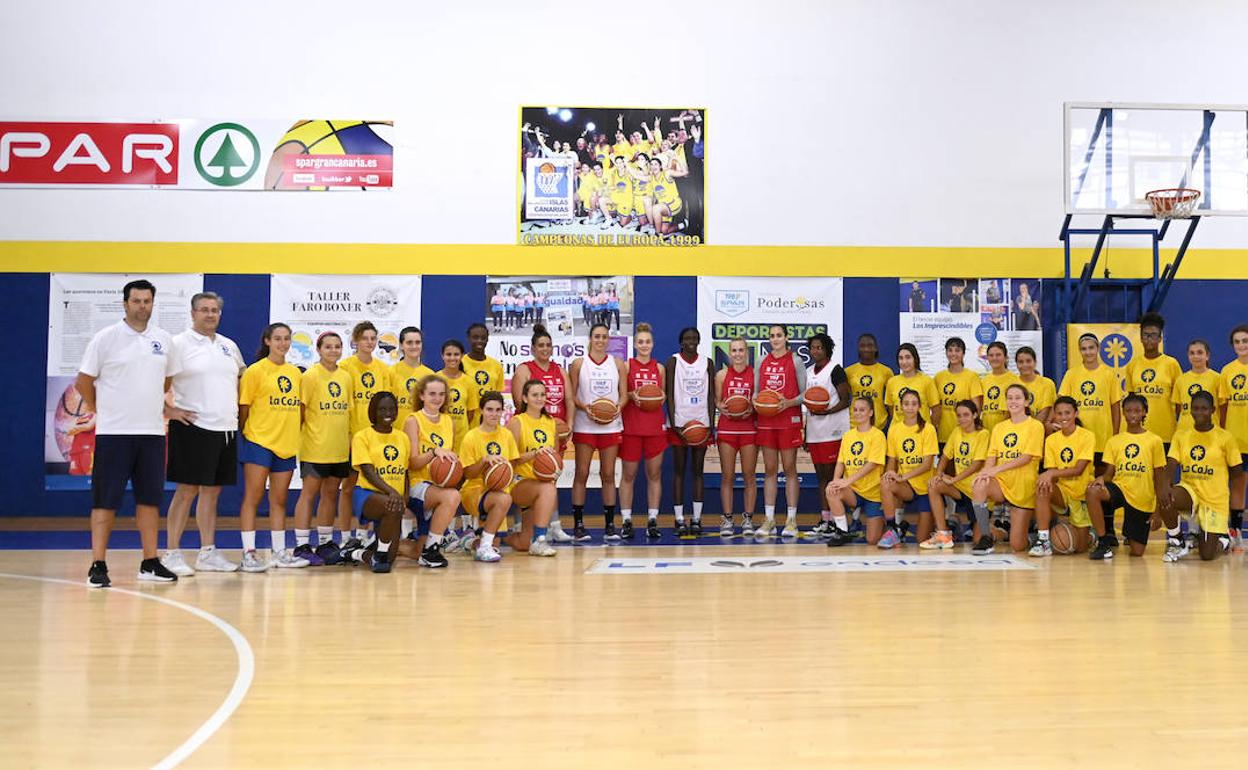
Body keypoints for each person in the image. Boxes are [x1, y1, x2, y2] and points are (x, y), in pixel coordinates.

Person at [76, 279, 182, 587]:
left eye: (147, 301)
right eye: (136, 301)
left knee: (149, 500)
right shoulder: (105, 339)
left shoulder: (163, 340)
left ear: (152, 303)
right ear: (125, 304)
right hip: (113, 434)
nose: (142, 306)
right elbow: (83, 383)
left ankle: (150, 562)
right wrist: (103, 411)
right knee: (105, 501)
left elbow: (165, 383)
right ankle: (98, 564)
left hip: (151, 434)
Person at [162, 291, 245, 576]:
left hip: (225, 428)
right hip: (193, 426)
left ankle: (207, 552)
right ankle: (171, 552)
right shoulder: (177, 345)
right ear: (193, 312)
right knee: (187, 491)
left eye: (215, 310)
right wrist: (169, 410)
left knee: (212, 492)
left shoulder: (229, 346)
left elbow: (242, 382)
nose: (210, 314)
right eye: (204, 310)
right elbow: (153, 381)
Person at [237, 323, 308, 572]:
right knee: (253, 498)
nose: (283, 343)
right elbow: (243, 408)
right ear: (267, 341)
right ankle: (248, 553)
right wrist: (250, 435)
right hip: (259, 441)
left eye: (287, 339)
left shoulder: (296, 373)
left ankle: (279, 552)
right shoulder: (255, 371)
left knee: (279, 500)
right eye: (277, 338)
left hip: (286, 444)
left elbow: (301, 410)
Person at [1159, 390, 1244, 562]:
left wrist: (1227, 501)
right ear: (1190, 410)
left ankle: (1225, 539)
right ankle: (1177, 540)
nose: (1199, 412)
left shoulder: (1225, 438)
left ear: (1213, 410)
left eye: (1204, 409)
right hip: (1190, 492)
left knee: (1207, 555)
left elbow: (1237, 474)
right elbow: (1171, 464)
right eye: (1195, 408)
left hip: (1214, 500)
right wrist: (1164, 487)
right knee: (1167, 496)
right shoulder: (1182, 435)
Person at [292, 331, 353, 566]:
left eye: (337, 347)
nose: (333, 350)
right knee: (309, 494)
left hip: (338, 448)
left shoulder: (345, 377)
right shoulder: (310, 376)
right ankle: (301, 544)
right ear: (318, 349)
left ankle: (326, 542)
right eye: (328, 347)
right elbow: (301, 412)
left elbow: (346, 413)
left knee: (330, 494)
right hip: (315, 446)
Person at [510, 324, 574, 541]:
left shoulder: (560, 370)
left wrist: (569, 425)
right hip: (531, 429)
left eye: (548, 345)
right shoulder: (524, 369)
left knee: (549, 477)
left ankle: (554, 524)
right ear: (533, 348)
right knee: (523, 474)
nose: (545, 349)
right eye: (541, 345)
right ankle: (519, 524)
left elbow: (569, 401)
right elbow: (520, 402)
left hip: (554, 431)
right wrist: (541, 421)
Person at [1085, 394, 1167, 560]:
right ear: (1123, 413)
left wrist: (1157, 512)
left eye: (1137, 411)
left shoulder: (1154, 440)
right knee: (1093, 491)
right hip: (1120, 488)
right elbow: (1109, 474)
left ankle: (1131, 532)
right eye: (1129, 411)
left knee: (1137, 552)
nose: (1133, 415)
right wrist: (1102, 479)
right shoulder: (1114, 441)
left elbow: (1159, 478)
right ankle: (1103, 541)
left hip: (1142, 498)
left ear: (1144, 412)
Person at [569, 322, 628, 541]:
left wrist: (616, 409)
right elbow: (571, 396)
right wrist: (586, 408)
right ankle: (578, 524)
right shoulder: (578, 364)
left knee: (608, 474)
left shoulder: (618, 363)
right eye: (597, 336)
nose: (601, 340)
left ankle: (610, 525)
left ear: (609, 340)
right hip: (585, 425)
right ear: (590, 339)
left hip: (611, 426)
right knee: (581, 473)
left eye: (604, 337)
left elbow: (624, 395)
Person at [970, 383, 1044, 554]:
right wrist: (985, 473)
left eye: (1018, 398)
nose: (1013, 401)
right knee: (979, 485)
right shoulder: (999, 427)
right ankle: (986, 536)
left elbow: (1026, 458)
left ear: (1026, 402)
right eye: (1009, 398)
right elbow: (991, 456)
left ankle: (1033, 534)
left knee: (1017, 546)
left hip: (1023, 485)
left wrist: (995, 470)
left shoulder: (1035, 426)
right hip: (1002, 482)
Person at [339, 321, 393, 553]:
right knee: (349, 488)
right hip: (353, 438)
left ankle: (364, 535)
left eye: (373, 338)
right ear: (356, 341)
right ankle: (344, 536)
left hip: (376, 440)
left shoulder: (383, 369)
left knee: (373, 489)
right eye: (365, 338)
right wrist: (350, 435)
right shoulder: (345, 367)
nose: (369, 342)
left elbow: (388, 405)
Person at [399, 375, 462, 568]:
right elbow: (413, 462)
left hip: (439, 486)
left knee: (415, 552)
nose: (437, 398)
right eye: (432, 394)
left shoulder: (448, 421)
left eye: (441, 394)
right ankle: (432, 549)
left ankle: (394, 545)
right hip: (419, 485)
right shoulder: (413, 420)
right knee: (452, 496)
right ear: (422, 395)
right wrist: (434, 452)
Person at [343, 392, 409, 573]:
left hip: (393, 499)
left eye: (391, 409)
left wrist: (405, 496)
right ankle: (378, 553)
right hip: (367, 494)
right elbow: (368, 471)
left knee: (391, 557)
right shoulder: (362, 436)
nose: (387, 413)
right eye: (381, 409)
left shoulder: (402, 437)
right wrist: (392, 493)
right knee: (383, 557)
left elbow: (406, 471)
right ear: (373, 411)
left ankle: (354, 553)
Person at [755, 324, 806, 538]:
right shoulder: (760, 361)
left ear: (786, 338)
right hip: (767, 422)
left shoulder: (795, 361)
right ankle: (769, 520)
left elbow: (806, 393)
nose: (775, 339)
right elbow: (757, 392)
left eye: (779, 335)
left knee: (790, 469)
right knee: (769, 470)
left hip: (788, 420)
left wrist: (790, 402)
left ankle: (791, 520)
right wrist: (755, 400)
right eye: (772, 336)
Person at [458, 391, 519, 562]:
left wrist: (501, 473)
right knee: (504, 500)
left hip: (498, 490)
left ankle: (471, 543)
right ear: (482, 411)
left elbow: (512, 466)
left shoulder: (506, 435)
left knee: (496, 544)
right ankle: (484, 546)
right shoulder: (471, 436)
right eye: (490, 409)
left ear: (502, 411)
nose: (494, 414)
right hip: (474, 491)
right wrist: (484, 461)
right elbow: (468, 473)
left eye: (498, 410)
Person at [619, 323, 667, 538]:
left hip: (654, 426)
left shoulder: (659, 369)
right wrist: (631, 395)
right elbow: (621, 394)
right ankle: (626, 520)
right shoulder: (627, 366)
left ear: (653, 344)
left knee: (654, 474)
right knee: (629, 474)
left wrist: (658, 397)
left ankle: (652, 520)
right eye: (640, 342)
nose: (644, 345)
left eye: (647, 342)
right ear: (635, 344)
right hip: (632, 426)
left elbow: (662, 395)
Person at [666, 327, 715, 538]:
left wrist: (710, 424)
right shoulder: (673, 361)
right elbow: (669, 394)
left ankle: (696, 519)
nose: (691, 341)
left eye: (694, 338)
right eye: (687, 338)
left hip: (701, 424)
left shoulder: (708, 362)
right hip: (679, 424)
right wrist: (675, 423)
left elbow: (712, 394)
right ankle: (679, 519)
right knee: (678, 472)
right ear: (681, 341)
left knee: (697, 471)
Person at [1032, 396, 1096, 556]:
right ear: (1055, 415)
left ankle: (1090, 536)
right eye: (1059, 413)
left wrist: (1052, 473)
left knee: (1079, 548)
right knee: (1042, 486)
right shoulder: (1052, 440)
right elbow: (1051, 473)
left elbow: (1079, 469)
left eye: (1067, 413)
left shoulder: (1087, 436)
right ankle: (1043, 540)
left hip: (1081, 493)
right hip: (1062, 491)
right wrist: (1048, 475)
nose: (1063, 417)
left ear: (1076, 413)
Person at [922, 400, 989, 549]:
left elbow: (977, 464)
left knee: (979, 541)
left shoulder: (983, 434)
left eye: (966, 415)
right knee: (934, 485)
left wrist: (954, 479)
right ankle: (943, 534)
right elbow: (945, 457)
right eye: (959, 415)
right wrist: (938, 474)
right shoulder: (957, 431)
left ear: (975, 415)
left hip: (976, 491)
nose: (962, 419)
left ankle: (998, 530)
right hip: (960, 488)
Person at [805, 333, 851, 537]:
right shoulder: (807, 372)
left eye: (819, 348)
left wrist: (827, 411)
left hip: (834, 430)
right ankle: (825, 519)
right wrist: (806, 432)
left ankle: (836, 520)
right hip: (815, 431)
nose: (815, 351)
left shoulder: (836, 370)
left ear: (827, 349)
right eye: (813, 348)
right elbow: (807, 405)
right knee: (821, 477)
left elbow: (845, 399)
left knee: (834, 477)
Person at [879, 389, 939, 548]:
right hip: (907, 487)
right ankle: (892, 529)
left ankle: (946, 523)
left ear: (920, 406)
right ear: (900, 407)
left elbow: (927, 465)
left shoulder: (928, 429)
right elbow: (892, 459)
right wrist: (890, 473)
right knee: (885, 482)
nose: (910, 407)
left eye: (914, 404)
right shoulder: (895, 429)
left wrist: (902, 477)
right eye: (906, 404)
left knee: (921, 540)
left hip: (925, 487)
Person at [506, 379, 560, 556]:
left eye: (542, 394)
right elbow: (511, 460)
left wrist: (553, 468)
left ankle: (502, 537)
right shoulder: (517, 421)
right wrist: (535, 454)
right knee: (548, 489)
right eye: (534, 395)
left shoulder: (551, 422)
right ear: (525, 398)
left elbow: (556, 458)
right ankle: (540, 540)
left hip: (539, 484)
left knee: (522, 544)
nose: (539, 398)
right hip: (519, 482)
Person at [825, 398, 887, 546]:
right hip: (853, 491)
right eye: (855, 410)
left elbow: (872, 464)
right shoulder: (848, 436)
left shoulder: (877, 435)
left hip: (873, 493)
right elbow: (841, 462)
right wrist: (835, 481)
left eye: (862, 410)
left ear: (871, 413)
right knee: (831, 490)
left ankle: (886, 524)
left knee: (872, 540)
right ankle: (842, 532)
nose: (858, 413)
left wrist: (848, 481)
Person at [715, 338, 758, 536]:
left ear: (747, 352)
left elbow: (760, 402)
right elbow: (717, 401)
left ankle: (748, 518)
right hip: (727, 429)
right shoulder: (722, 375)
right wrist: (720, 406)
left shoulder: (755, 375)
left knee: (749, 476)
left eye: (741, 350)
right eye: (734, 350)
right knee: (728, 476)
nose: (738, 354)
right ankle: (727, 519)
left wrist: (752, 409)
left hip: (749, 430)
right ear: (729, 353)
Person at [1059, 333, 1122, 470]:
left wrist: (1115, 435)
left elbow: (1115, 407)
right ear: (1079, 351)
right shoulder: (1071, 374)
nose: (1088, 352)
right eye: (1084, 349)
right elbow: (1062, 404)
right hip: (1077, 437)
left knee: (1101, 481)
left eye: (1091, 348)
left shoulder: (1109, 374)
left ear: (1098, 348)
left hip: (1102, 438)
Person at [1125, 312, 1181, 447]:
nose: (1149, 339)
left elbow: (1180, 401)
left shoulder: (1171, 364)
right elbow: (1131, 401)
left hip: (1165, 433)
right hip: (1140, 432)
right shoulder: (1132, 365)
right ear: (1141, 338)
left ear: (1160, 338)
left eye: (1153, 335)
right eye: (1146, 335)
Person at [1217, 323, 1248, 545]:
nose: (1241, 345)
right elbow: (1223, 408)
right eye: (1237, 341)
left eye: (1245, 341)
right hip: (1236, 439)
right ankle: (1235, 532)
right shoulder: (1227, 371)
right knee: (1237, 485)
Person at [933, 337, 983, 446]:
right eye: (950, 350)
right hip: (943, 435)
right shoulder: (938, 377)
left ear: (963, 354)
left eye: (957, 350)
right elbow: (935, 407)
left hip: (964, 434)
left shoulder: (972, 376)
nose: (953, 354)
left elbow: (977, 408)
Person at [884, 343, 940, 428]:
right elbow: (891, 409)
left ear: (915, 359)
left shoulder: (927, 381)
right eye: (901, 358)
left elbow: (936, 410)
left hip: (920, 432)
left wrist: (927, 428)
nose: (904, 362)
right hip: (898, 432)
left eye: (908, 357)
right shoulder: (892, 382)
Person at [391, 327, 434, 430]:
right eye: (409, 342)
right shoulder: (390, 372)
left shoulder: (430, 375)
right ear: (401, 345)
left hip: (422, 433)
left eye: (417, 342)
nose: (414, 346)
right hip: (397, 433)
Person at [846, 333, 892, 429]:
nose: (866, 349)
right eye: (862, 346)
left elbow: (891, 400)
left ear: (876, 348)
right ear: (858, 349)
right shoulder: (848, 371)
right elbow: (844, 398)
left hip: (879, 424)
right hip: (854, 424)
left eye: (870, 346)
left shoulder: (886, 371)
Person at [1173, 339, 1220, 433]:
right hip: (1185, 432)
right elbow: (1178, 408)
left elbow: (1222, 407)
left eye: (1200, 353)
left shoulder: (1217, 378)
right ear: (1188, 356)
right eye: (1192, 353)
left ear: (1207, 356)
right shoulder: (1181, 380)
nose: (1196, 356)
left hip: (1211, 432)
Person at [462, 323, 505, 424]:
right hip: (467, 422)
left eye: (483, 338)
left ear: (487, 339)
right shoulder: (460, 363)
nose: (479, 341)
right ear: (468, 338)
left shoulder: (496, 365)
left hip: (490, 423)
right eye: (475, 337)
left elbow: (497, 396)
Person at [980, 341, 1020, 432]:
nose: (994, 358)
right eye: (991, 355)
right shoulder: (983, 381)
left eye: (998, 355)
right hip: (987, 432)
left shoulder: (1015, 380)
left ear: (1006, 358)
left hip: (1008, 432)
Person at [1015, 346, 1056, 429]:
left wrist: (1032, 430)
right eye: (1021, 362)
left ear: (1035, 362)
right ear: (1016, 364)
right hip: (1018, 430)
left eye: (1028, 361)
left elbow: (1046, 410)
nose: (1025, 365)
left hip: (1040, 430)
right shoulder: (1012, 384)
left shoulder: (1047, 383)